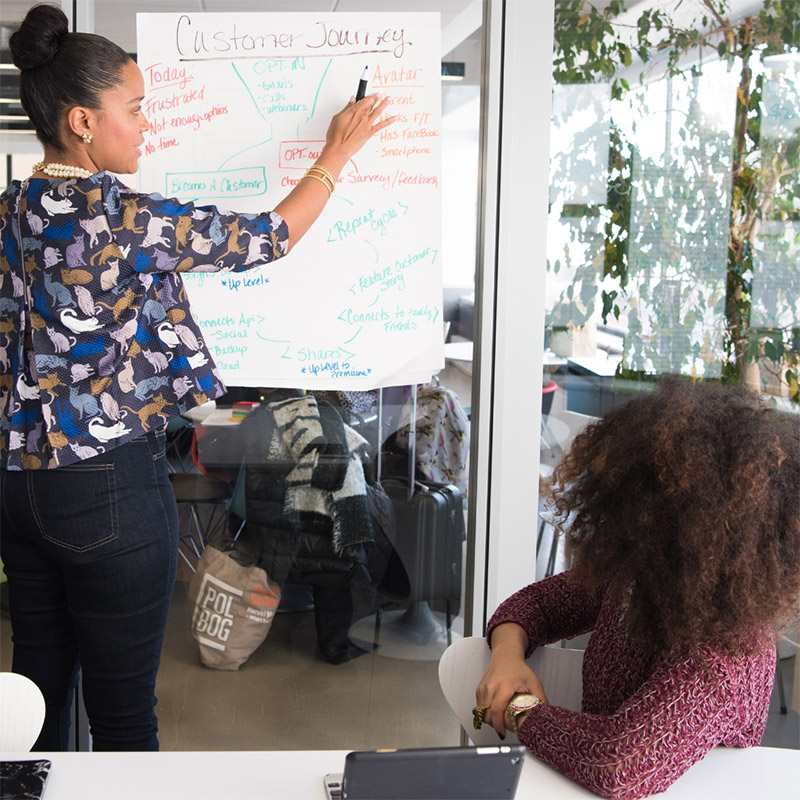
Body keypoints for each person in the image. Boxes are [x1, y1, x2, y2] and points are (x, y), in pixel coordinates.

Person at [0, 3, 393, 751]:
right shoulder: (123, 219)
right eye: (136, 108)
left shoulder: (6, 214)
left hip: (16, 486)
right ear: (83, 121)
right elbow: (268, 238)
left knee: (38, 707)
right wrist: (336, 155)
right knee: (122, 720)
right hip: (106, 489)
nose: (148, 124)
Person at [475, 377, 800, 800]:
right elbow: (536, 603)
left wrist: (521, 711)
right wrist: (506, 659)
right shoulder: (640, 575)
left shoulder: (729, 650)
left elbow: (618, 764)